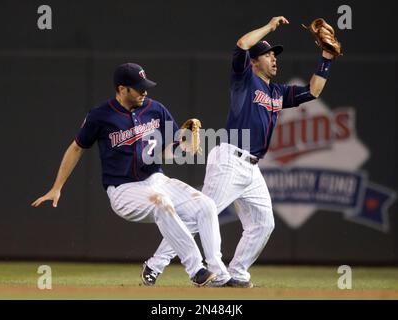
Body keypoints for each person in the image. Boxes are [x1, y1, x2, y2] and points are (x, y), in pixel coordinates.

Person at [142, 16, 336, 288]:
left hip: (252, 168)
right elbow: (243, 44)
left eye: (274, 55)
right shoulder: (243, 79)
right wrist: (269, 27)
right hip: (230, 159)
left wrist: (326, 58)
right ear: (254, 61)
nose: (274, 59)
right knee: (200, 216)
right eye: (267, 55)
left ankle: (237, 272)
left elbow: (313, 91)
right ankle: (155, 264)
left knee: (263, 224)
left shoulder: (277, 92)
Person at [31, 62, 232, 287]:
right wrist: (57, 186)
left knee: (206, 205)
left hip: (155, 178)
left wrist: (186, 146)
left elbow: (170, 150)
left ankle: (218, 273)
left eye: (145, 85)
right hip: (123, 189)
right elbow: (76, 148)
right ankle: (196, 270)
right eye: (138, 87)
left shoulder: (156, 109)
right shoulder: (100, 116)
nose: (144, 91)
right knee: (161, 203)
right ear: (122, 89)